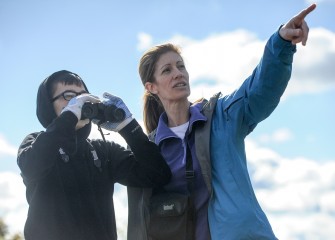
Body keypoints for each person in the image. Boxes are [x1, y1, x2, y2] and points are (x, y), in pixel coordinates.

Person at [127, 4, 316, 240]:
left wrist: (280, 44)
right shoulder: (151, 150)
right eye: (167, 70)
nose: (178, 73)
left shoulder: (222, 116)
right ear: (151, 87)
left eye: (181, 66)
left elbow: (257, 91)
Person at [17, 70, 172, 240]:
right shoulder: (35, 142)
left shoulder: (103, 152)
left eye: (83, 95)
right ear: (48, 105)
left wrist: (128, 126)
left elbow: (157, 174)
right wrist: (68, 118)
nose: (79, 102)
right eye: (68, 96)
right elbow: (31, 166)